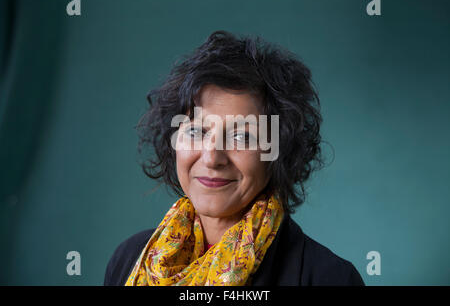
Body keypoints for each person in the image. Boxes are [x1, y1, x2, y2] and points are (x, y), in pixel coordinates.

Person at [104, 30, 365, 286]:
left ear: (277, 151)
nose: (212, 157)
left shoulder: (328, 278)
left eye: (242, 137)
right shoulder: (129, 260)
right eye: (196, 131)